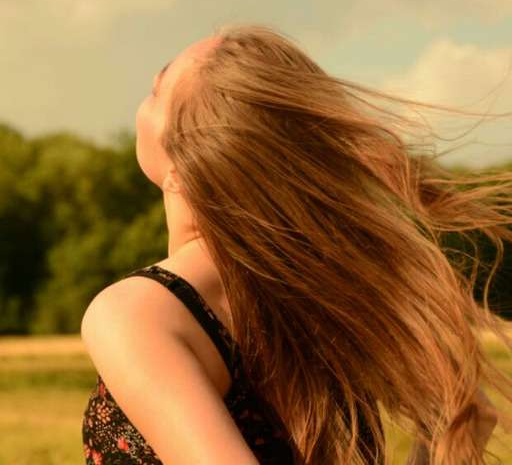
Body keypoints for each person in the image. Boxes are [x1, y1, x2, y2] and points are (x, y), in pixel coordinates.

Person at [81, 25, 512, 464]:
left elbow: (466, 411)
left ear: (181, 169)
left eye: (156, 91)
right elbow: (469, 413)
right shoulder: (320, 297)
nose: (143, 101)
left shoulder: (136, 313)